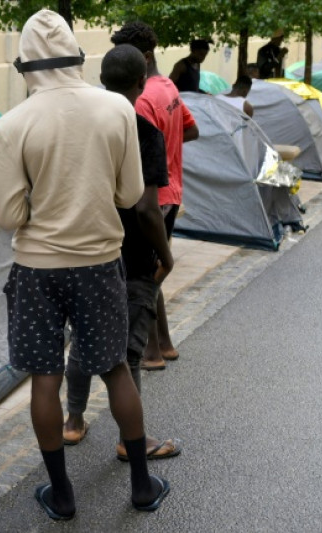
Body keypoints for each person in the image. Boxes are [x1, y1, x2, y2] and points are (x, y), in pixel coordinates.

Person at [0, 9, 171, 521]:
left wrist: (35, 207)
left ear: (25, 66)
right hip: (98, 261)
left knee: (44, 378)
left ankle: (62, 495)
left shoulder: (12, 123)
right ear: (78, 57)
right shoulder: (115, 109)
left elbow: (6, 214)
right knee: (116, 370)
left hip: (36, 268)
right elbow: (131, 192)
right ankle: (140, 485)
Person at [62, 44, 183, 463]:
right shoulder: (141, 131)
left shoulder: (82, 130)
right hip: (129, 257)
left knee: (81, 341)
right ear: (141, 81)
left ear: (101, 80)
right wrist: (165, 256)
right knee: (128, 352)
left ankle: (73, 422)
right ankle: (132, 441)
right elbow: (148, 209)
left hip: (82, 251)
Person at [110, 21, 199, 374]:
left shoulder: (143, 97)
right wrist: (170, 147)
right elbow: (192, 129)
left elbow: (139, 144)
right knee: (153, 268)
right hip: (172, 191)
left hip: (151, 195)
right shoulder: (170, 88)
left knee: (145, 274)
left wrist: (158, 152)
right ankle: (164, 344)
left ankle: (150, 351)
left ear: (145, 58)